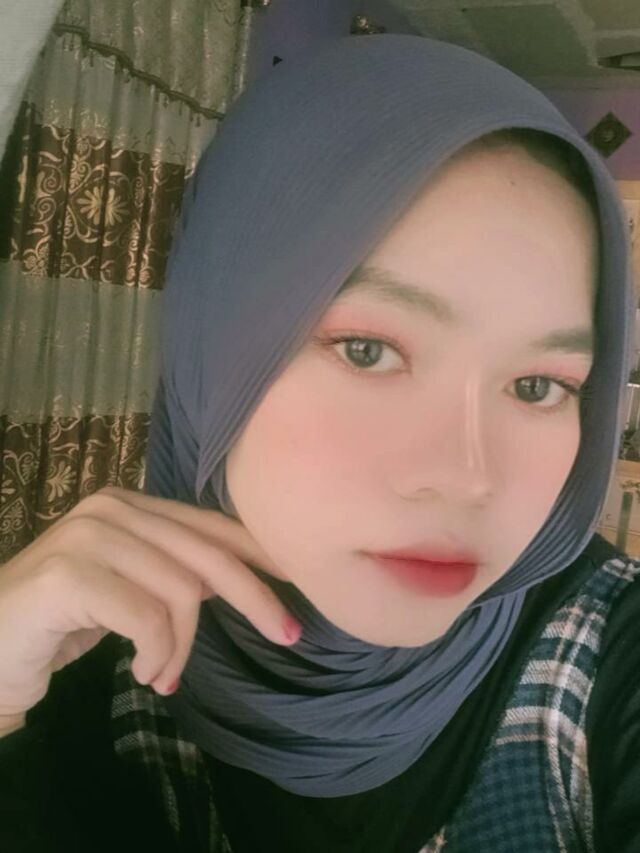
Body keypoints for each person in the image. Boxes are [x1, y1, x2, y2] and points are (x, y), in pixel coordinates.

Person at [0, 33, 638, 853]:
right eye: (368, 350)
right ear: (212, 350)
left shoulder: (612, 660)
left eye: (539, 385)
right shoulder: (61, 672)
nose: (466, 476)